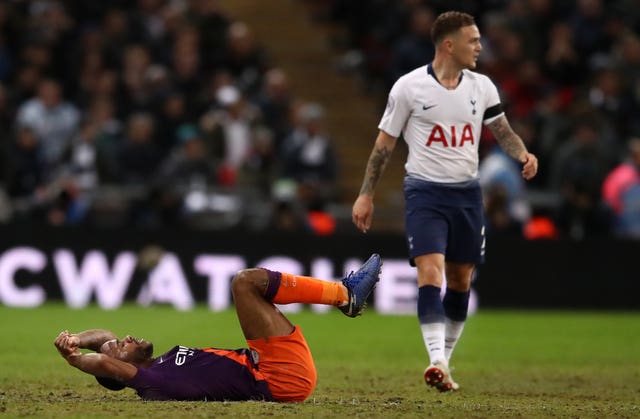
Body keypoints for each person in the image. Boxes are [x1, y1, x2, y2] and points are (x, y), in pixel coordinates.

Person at [351, 11, 538, 392]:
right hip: (425, 193)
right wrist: (365, 194)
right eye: (473, 40)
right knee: (430, 272)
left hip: (468, 194)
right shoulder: (409, 88)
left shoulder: (482, 86)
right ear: (449, 45)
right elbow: (384, 146)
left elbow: (501, 129)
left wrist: (523, 154)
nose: (480, 47)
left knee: (460, 279)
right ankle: (435, 358)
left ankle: (444, 364)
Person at [54, 254, 382, 402]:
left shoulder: (155, 365)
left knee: (247, 283)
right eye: (120, 348)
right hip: (279, 378)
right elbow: (103, 362)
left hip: (271, 368)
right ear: (119, 370)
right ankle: (343, 295)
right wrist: (74, 360)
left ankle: (344, 295)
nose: (122, 338)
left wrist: (75, 339)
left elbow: (105, 342)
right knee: (245, 283)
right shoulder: (151, 382)